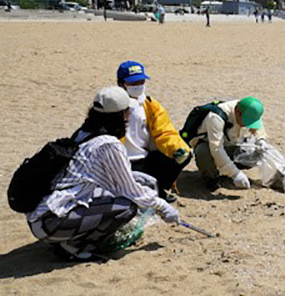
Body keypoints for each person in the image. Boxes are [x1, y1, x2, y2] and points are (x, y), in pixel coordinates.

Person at [26, 87, 180, 261]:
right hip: (50, 223)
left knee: (120, 193)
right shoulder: (108, 144)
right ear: (120, 115)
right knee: (126, 207)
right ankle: (75, 247)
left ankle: (68, 238)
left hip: (42, 216)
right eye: (127, 111)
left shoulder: (84, 132)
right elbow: (131, 191)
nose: (129, 115)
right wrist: (162, 206)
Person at [116, 61, 191, 202]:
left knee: (184, 155)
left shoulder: (150, 104)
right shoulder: (112, 106)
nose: (138, 86)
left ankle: (159, 190)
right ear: (121, 84)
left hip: (145, 158)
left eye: (141, 81)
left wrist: (176, 149)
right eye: (133, 83)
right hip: (121, 162)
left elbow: (165, 132)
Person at [185, 97, 268, 190]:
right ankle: (211, 178)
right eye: (246, 121)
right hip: (210, 147)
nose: (247, 125)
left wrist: (261, 139)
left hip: (232, 144)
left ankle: (228, 170)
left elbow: (257, 126)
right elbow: (216, 149)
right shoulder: (216, 117)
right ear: (237, 112)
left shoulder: (249, 110)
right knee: (202, 152)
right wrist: (235, 174)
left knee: (255, 151)